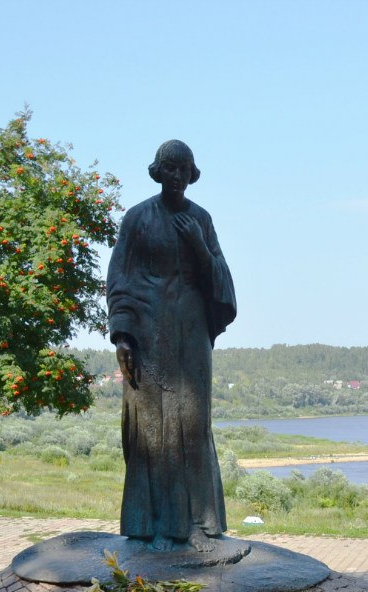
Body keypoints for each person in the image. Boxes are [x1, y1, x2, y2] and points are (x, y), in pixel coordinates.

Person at [107, 140, 237, 552]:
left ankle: (201, 522)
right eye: (170, 168)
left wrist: (199, 246)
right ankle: (148, 526)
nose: (177, 175)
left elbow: (224, 283)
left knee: (192, 423)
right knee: (150, 431)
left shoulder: (201, 219)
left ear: (191, 173)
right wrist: (123, 335)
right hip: (146, 338)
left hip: (191, 339)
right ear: (158, 171)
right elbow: (119, 279)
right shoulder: (138, 219)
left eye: (184, 169)